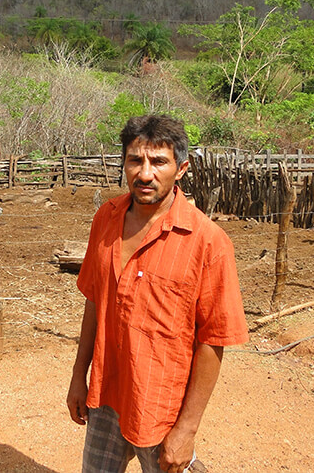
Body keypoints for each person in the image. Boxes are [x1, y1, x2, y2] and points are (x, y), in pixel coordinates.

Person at [66, 115, 248, 473]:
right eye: (135, 160)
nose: (145, 174)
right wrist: (78, 376)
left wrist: (187, 430)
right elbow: (94, 301)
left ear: (181, 168)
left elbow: (213, 340)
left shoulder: (207, 242)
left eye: (159, 162)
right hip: (106, 392)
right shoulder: (106, 218)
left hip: (161, 406)